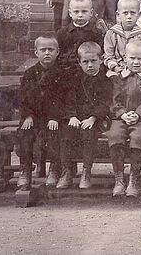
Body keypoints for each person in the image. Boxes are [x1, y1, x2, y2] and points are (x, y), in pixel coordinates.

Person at [107, 40, 141, 197]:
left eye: (140, 59)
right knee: (115, 136)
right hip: (121, 118)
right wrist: (122, 113)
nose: (136, 62)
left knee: (138, 138)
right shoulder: (118, 78)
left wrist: (138, 114)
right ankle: (119, 179)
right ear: (125, 58)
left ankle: (133, 180)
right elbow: (114, 100)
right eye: (132, 58)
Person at [57, 42, 112, 189]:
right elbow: (70, 100)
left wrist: (93, 117)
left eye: (93, 61)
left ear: (101, 60)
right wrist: (72, 116)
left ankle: (86, 172)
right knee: (66, 134)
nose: (90, 65)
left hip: (96, 120)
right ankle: (66, 171)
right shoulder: (75, 79)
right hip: (77, 118)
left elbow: (105, 103)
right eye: (85, 62)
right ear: (79, 62)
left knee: (89, 135)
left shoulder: (106, 81)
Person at [16, 36, 63, 190]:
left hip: (54, 118)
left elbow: (64, 99)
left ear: (57, 52)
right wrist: (28, 115)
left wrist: (55, 117)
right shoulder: (30, 74)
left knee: (55, 134)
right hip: (34, 116)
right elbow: (23, 98)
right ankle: (25, 170)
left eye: (51, 50)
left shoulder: (62, 74)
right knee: (25, 133)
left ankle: (54, 169)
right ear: (36, 52)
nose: (47, 53)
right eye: (43, 50)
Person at [56, 0, 104, 75]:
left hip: (88, 70)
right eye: (76, 12)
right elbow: (59, 54)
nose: (80, 15)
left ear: (91, 13)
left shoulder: (96, 33)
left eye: (84, 11)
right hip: (66, 70)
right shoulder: (62, 33)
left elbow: (99, 55)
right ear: (70, 13)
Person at [103, 0, 141, 76]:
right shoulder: (111, 33)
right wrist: (114, 67)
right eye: (125, 13)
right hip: (116, 68)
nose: (129, 16)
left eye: (133, 13)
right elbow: (108, 55)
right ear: (118, 14)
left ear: (139, 15)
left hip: (136, 68)